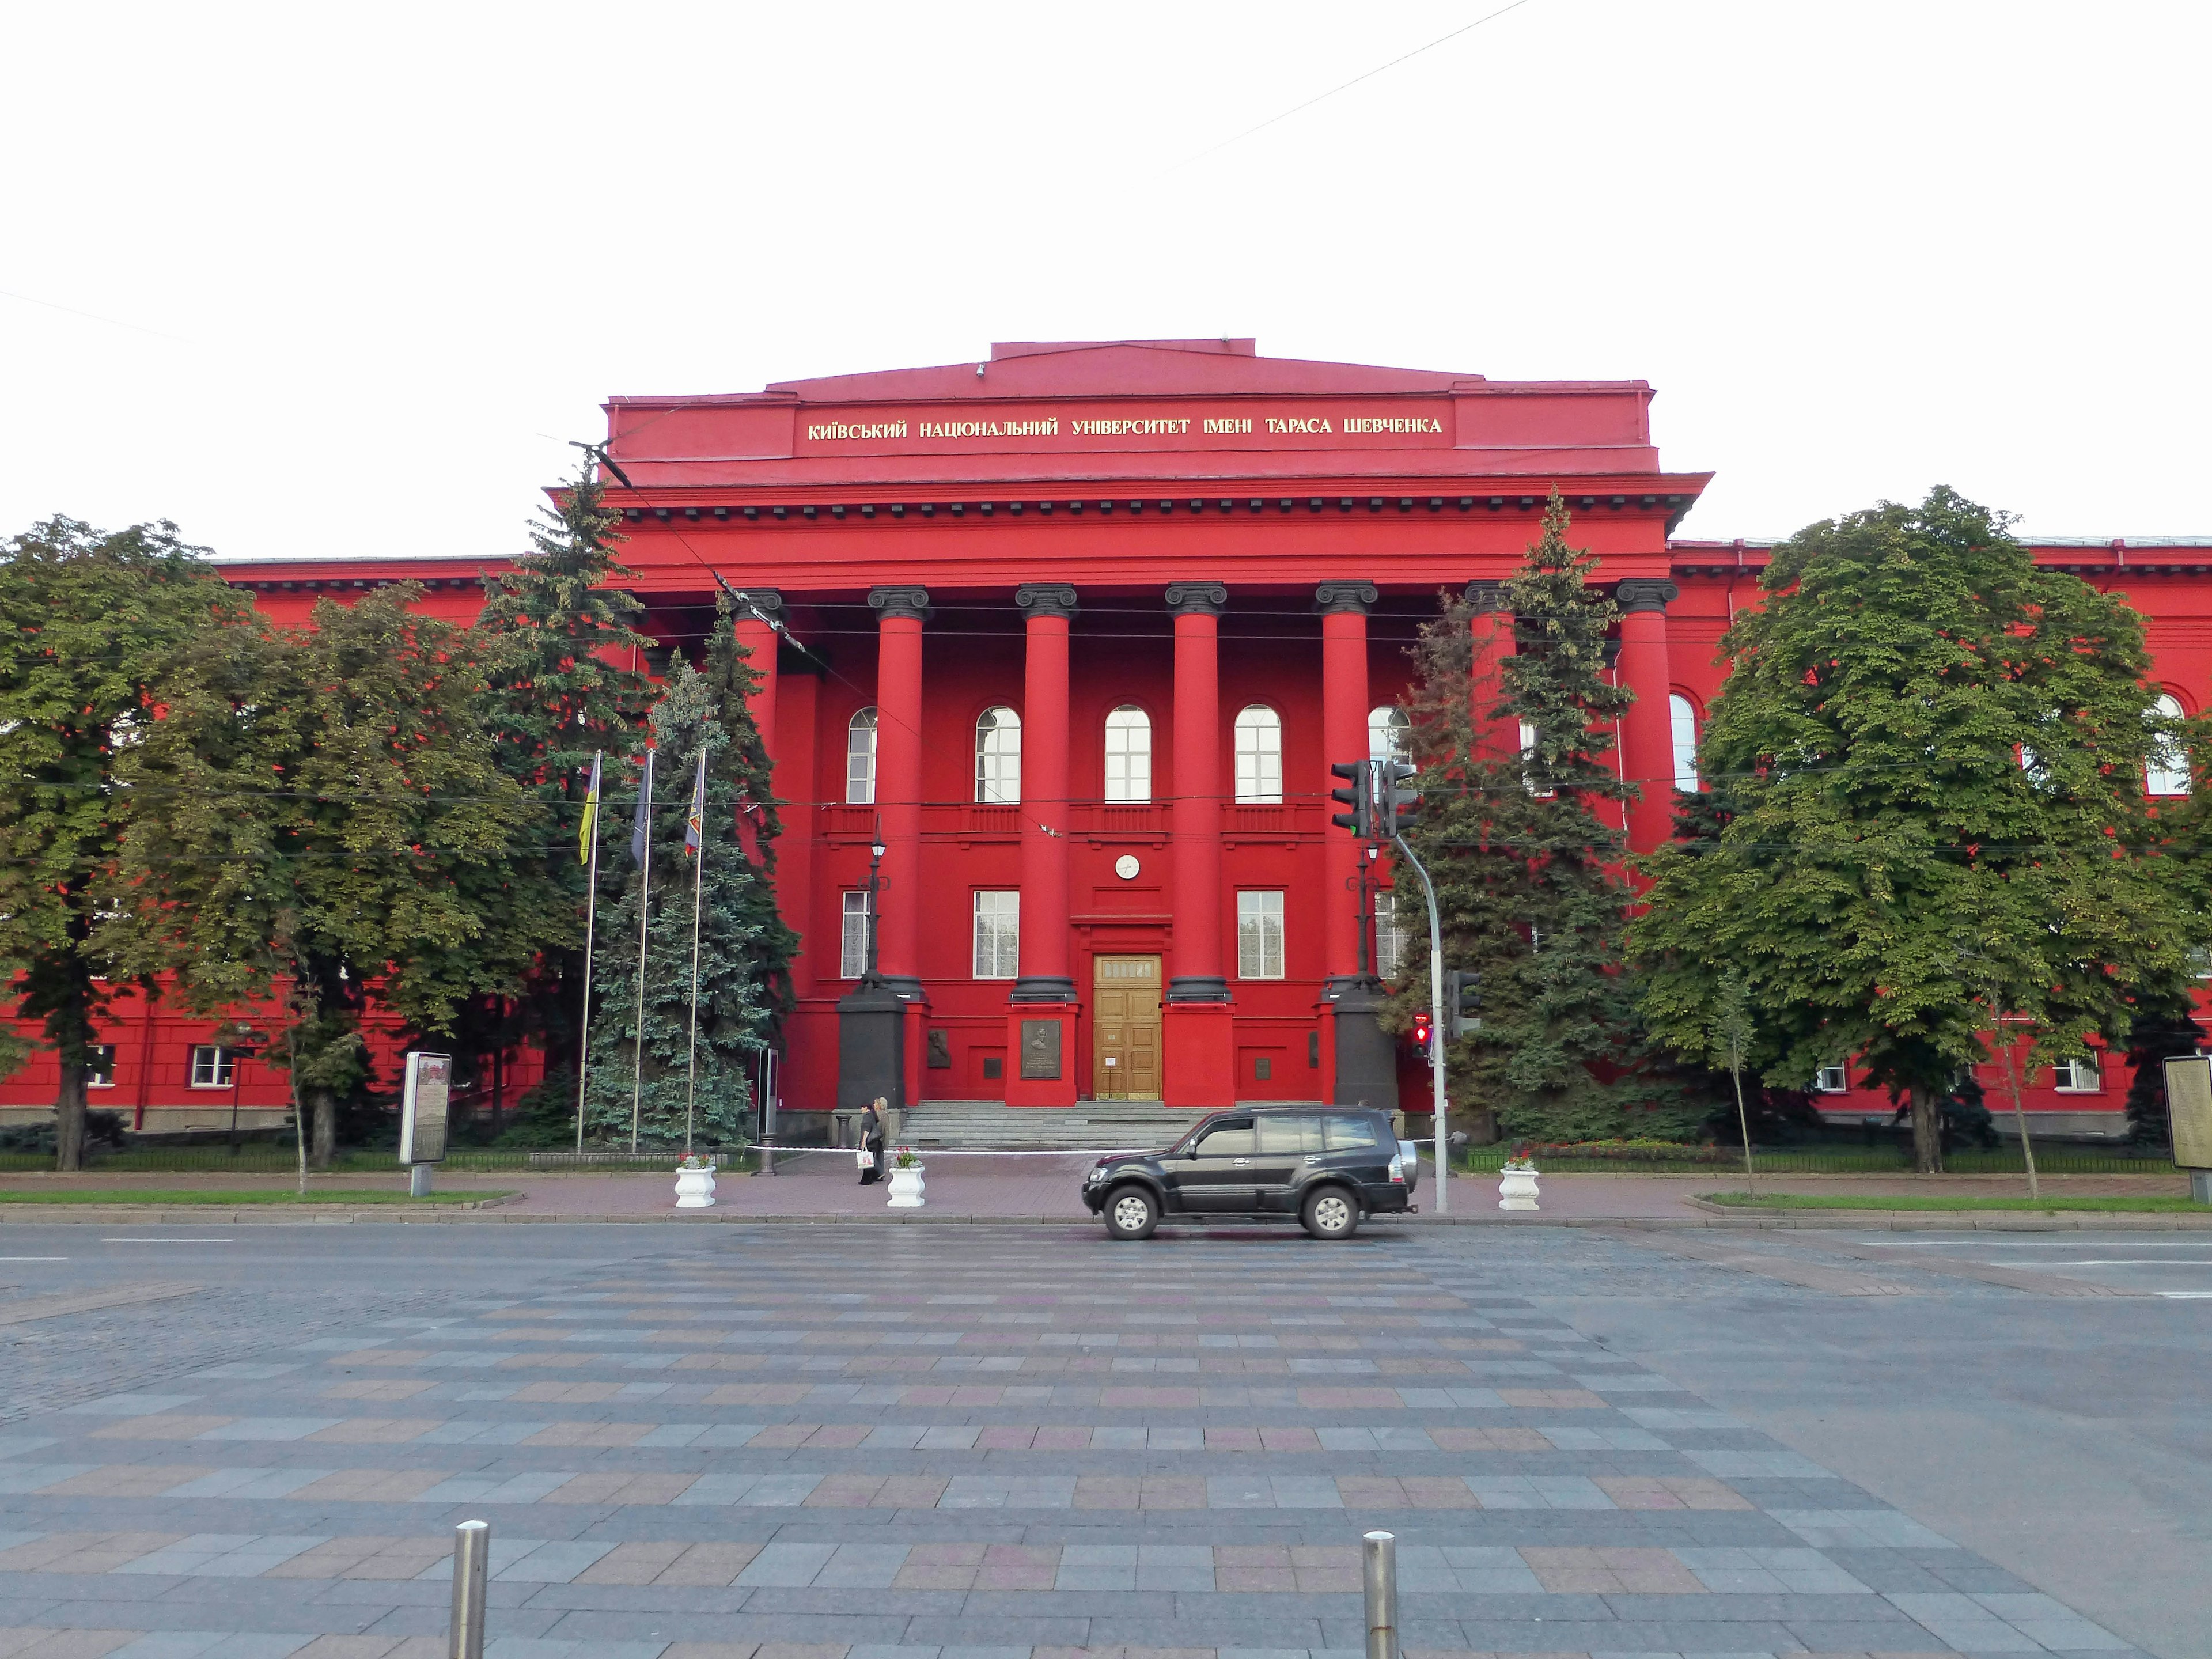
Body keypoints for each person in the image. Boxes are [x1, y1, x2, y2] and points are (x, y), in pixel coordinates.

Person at [857, 1097, 888, 1185]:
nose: (861, 1110)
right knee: (870, 1158)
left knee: (868, 1159)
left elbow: (867, 1130)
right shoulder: (872, 1115)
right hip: (874, 1141)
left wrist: (863, 1142)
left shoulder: (867, 1116)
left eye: (862, 1108)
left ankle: (868, 1178)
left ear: (866, 1108)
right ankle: (869, 1178)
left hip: (869, 1141)